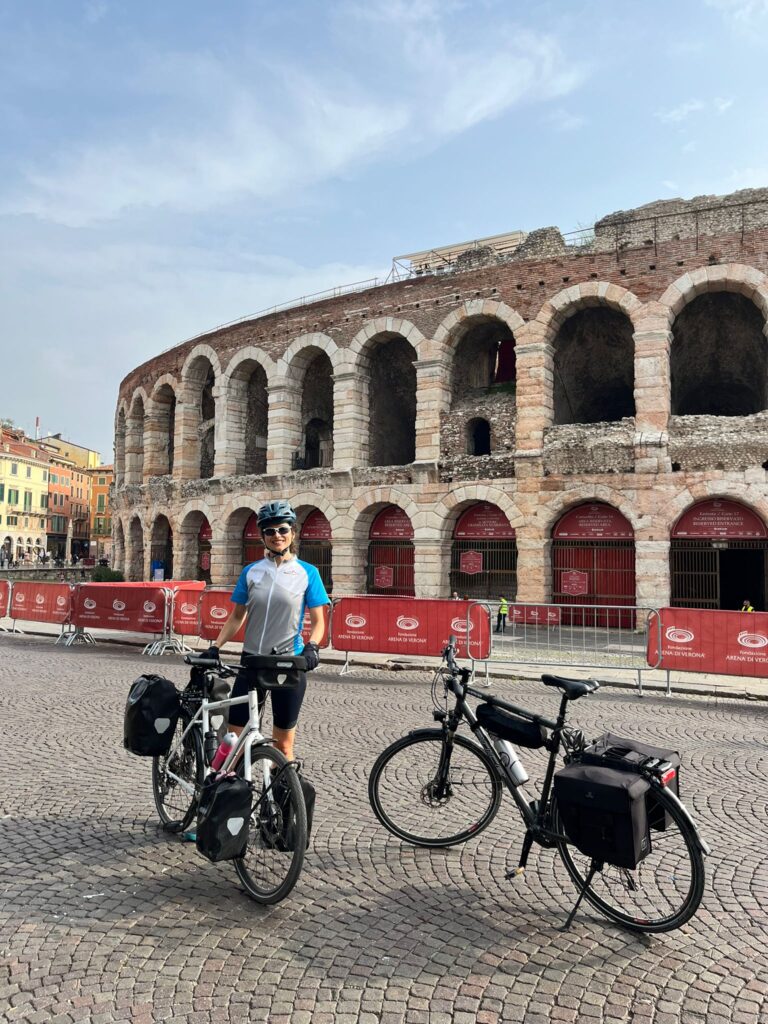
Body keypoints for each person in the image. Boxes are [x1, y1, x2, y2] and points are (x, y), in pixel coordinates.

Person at [208, 501, 329, 761]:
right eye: (270, 531)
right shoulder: (251, 572)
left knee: (284, 747)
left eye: (283, 529)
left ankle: (280, 799)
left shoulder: (308, 573)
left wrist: (313, 647)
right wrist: (214, 647)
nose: (277, 536)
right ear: (262, 536)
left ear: (293, 533)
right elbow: (237, 616)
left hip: (289, 663)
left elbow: (319, 621)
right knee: (234, 740)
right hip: (252, 661)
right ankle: (229, 792)